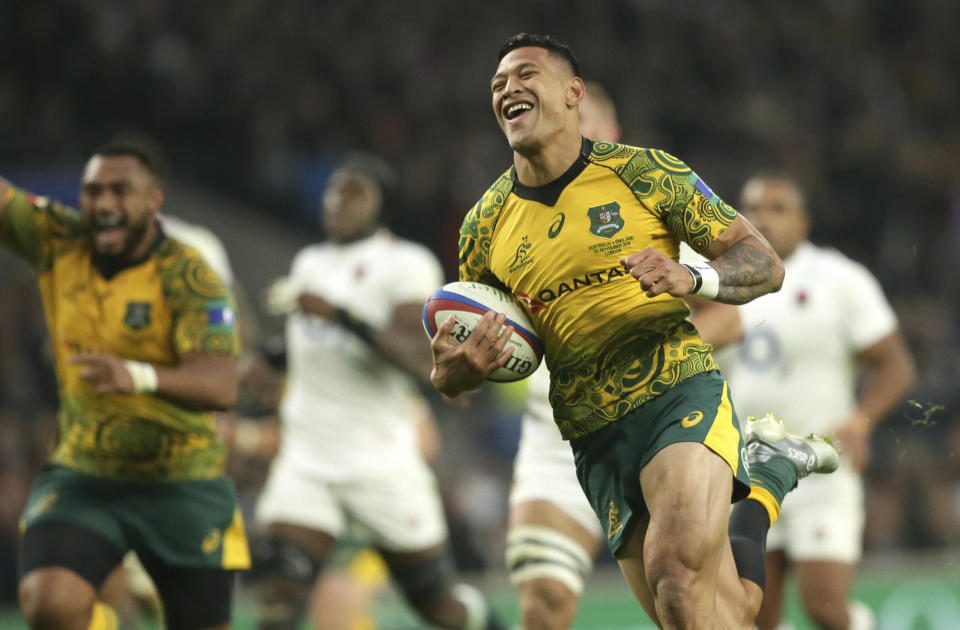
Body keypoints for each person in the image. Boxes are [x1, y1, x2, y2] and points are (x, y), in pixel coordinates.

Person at [431, 33, 840, 630]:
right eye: (498, 84)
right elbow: (462, 359)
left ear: (573, 94)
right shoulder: (484, 226)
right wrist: (452, 374)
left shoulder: (645, 174)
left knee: (675, 573)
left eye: (525, 76)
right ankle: (769, 477)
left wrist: (691, 277)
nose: (508, 90)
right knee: (720, 612)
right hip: (592, 436)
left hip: (677, 394)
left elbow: (764, 263)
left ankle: (758, 473)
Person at [3, 141, 250, 630]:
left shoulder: (190, 274)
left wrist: (138, 375)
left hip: (181, 480)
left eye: (121, 190)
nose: (105, 203)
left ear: (154, 199)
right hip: (85, 474)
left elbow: (221, 385)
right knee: (49, 601)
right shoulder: (58, 240)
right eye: (93, 191)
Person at [253, 154, 505, 630]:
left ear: (381, 205)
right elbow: (313, 343)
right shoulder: (309, 261)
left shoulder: (406, 263)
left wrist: (344, 317)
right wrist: (269, 358)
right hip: (307, 456)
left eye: (354, 193)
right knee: (278, 591)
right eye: (333, 191)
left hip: (379, 460)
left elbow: (418, 358)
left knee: (436, 603)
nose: (337, 202)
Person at [719, 172, 915, 630]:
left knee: (824, 605)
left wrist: (861, 421)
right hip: (749, 470)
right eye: (754, 208)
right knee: (755, 615)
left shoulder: (839, 279)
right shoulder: (721, 283)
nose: (763, 218)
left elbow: (896, 363)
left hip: (819, 465)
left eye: (778, 208)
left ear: (804, 222)